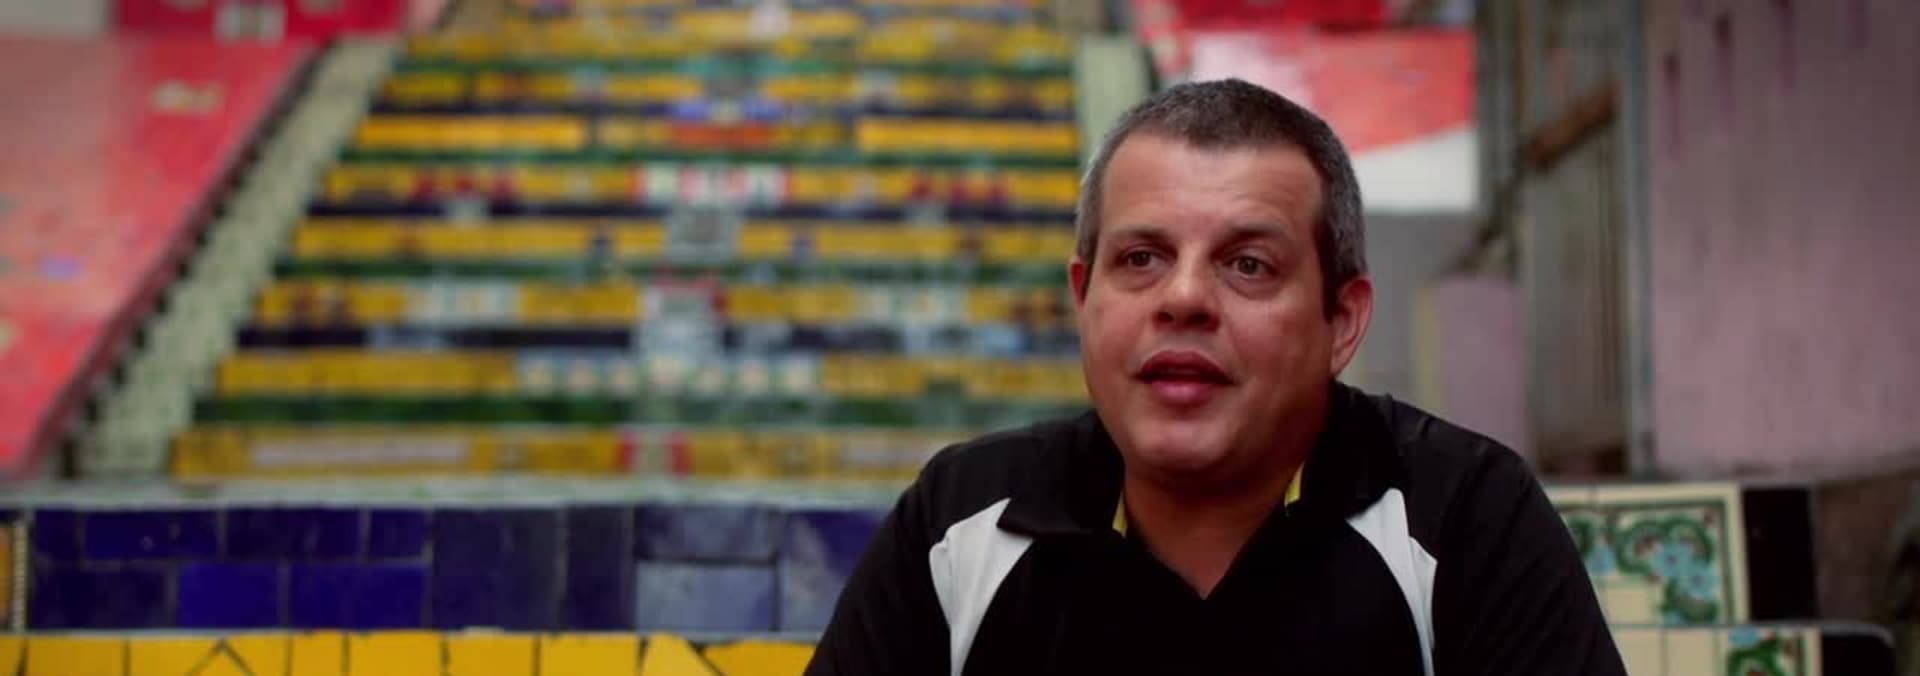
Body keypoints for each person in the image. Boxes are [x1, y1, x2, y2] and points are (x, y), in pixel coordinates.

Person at [804, 79, 1626, 676]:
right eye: (1141, 258)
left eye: (1248, 264)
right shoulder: (962, 523)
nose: (1185, 298)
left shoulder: (1464, 519)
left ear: (1342, 321)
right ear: (1083, 299)